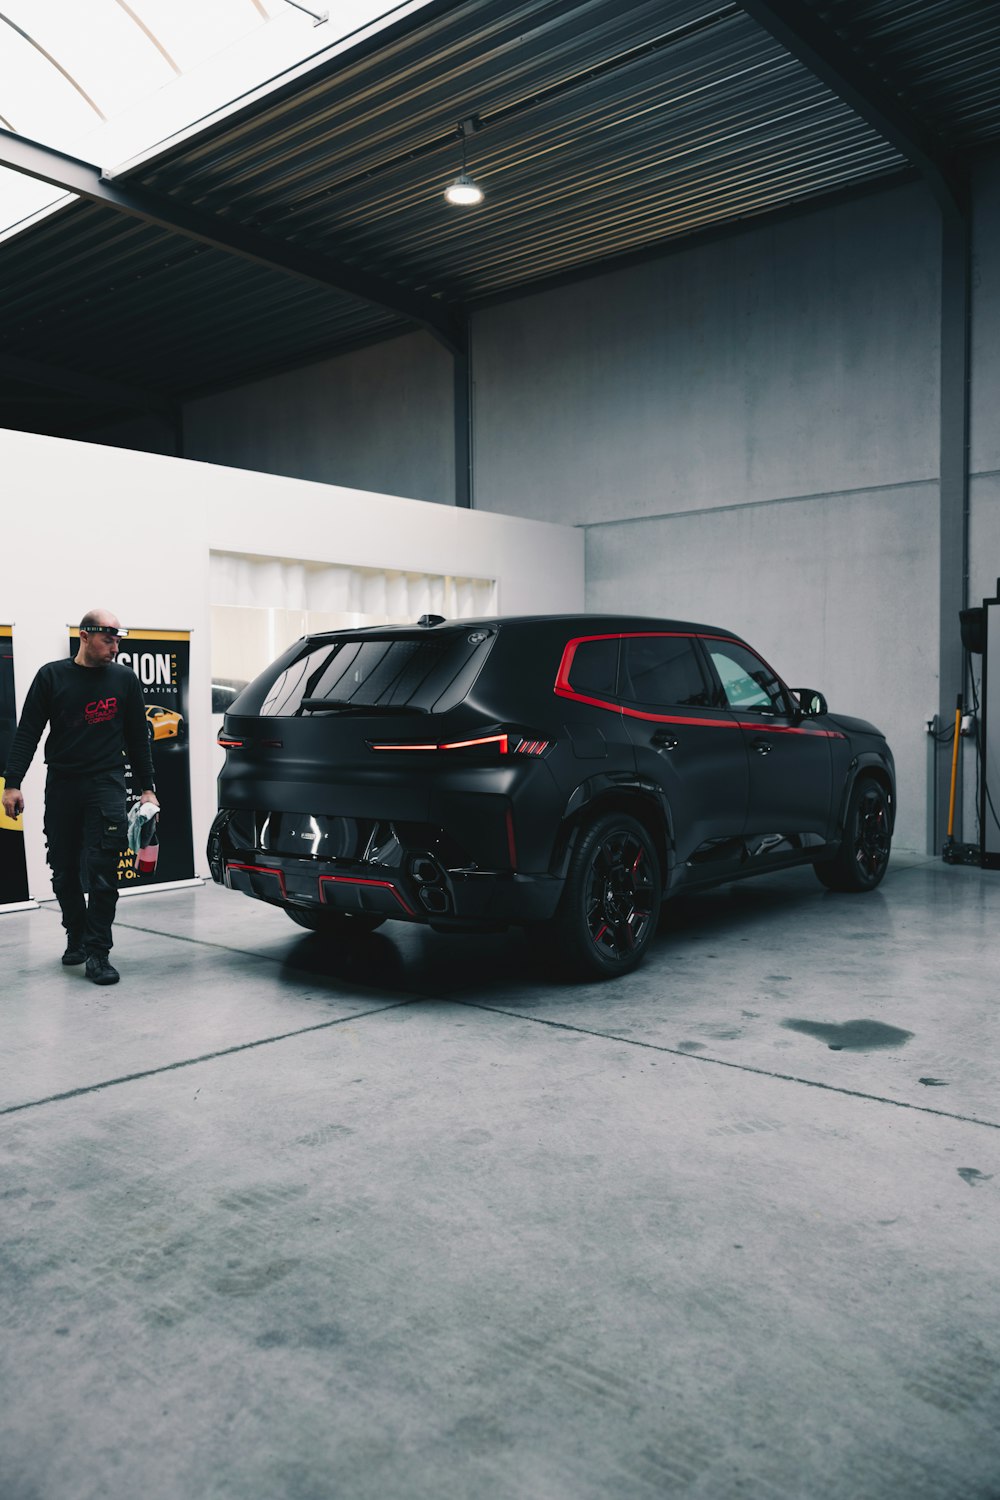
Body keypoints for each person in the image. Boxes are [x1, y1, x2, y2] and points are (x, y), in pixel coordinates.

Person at [1, 610, 159, 986]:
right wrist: (12, 782)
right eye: (108, 639)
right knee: (63, 868)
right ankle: (76, 935)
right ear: (85, 636)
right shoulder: (52, 677)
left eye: (118, 640)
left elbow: (139, 738)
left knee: (103, 871)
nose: (115, 647)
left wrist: (148, 786)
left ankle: (98, 953)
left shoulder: (124, 680)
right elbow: (27, 733)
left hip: (106, 783)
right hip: (63, 784)